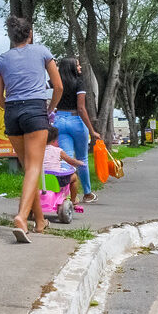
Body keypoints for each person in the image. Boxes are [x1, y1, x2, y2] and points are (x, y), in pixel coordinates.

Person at [0, 16, 62, 242]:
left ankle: (40, 221)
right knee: (34, 167)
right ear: (30, 33)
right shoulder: (42, 52)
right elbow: (58, 86)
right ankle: (22, 217)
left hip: (12, 113)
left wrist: (12, 107)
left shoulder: (2, 59)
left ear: (11, 37)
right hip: (35, 110)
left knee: (28, 168)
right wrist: (49, 108)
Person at [53, 57, 101, 204]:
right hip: (76, 122)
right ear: (72, 67)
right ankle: (87, 193)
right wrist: (92, 131)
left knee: (66, 159)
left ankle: (65, 195)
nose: (80, 68)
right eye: (78, 65)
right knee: (82, 159)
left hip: (59, 120)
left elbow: (41, 87)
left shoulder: (56, 81)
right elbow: (81, 108)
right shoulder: (79, 82)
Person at [44, 126, 85, 204]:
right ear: (55, 140)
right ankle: (73, 200)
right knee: (74, 177)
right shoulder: (58, 151)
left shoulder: (38, 150)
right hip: (56, 181)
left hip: (40, 180)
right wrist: (79, 163)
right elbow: (71, 161)